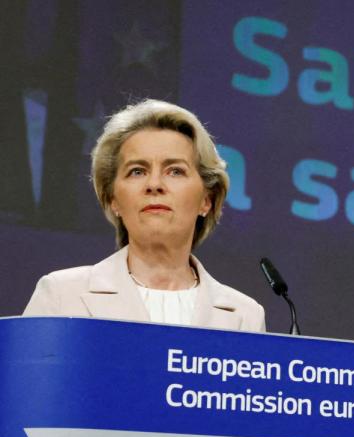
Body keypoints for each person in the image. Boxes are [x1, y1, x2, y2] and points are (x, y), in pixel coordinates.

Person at [24, 99, 265, 331]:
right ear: (113, 199)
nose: (154, 184)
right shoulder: (62, 296)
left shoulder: (244, 317)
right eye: (137, 171)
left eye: (175, 171)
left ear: (206, 201)